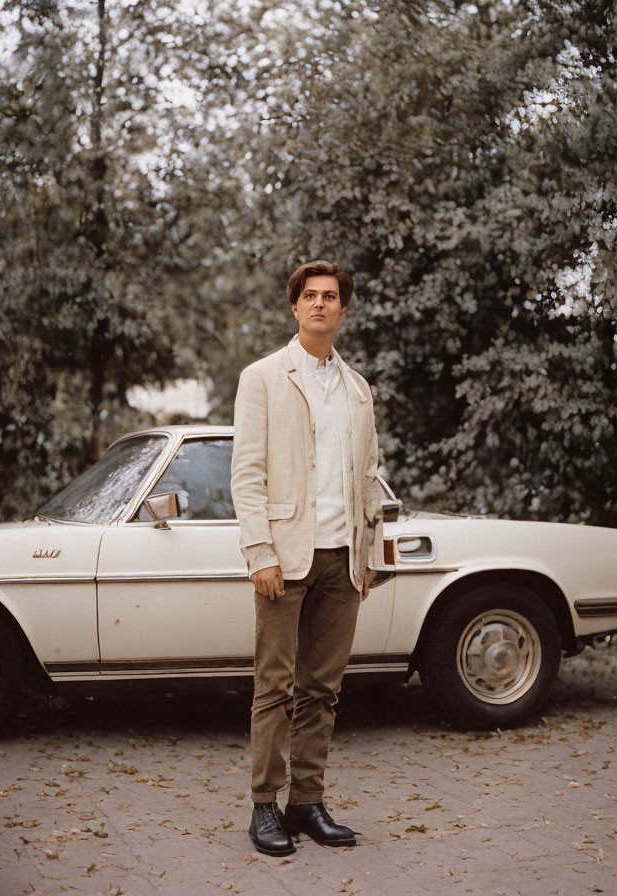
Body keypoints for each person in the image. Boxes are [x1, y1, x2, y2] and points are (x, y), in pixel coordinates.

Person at [230, 260, 383, 856]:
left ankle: (307, 803)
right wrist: (260, 551)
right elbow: (247, 475)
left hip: (343, 558)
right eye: (310, 296)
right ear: (294, 308)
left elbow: (369, 475)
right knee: (274, 687)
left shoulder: (358, 388)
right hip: (285, 558)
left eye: (331, 297)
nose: (320, 304)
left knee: (322, 688)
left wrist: (367, 554)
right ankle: (264, 807)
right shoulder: (264, 377)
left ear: (344, 310)